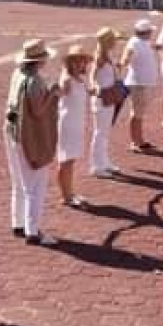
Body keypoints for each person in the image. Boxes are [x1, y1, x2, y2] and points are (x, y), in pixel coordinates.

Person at [4, 39, 60, 246]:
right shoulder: (35, 80)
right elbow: (38, 111)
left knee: (18, 180)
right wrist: (53, 94)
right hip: (29, 135)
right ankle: (33, 230)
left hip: (12, 131)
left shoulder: (17, 75)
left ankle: (18, 222)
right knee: (35, 184)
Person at [56, 45, 92, 207]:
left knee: (71, 160)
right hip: (68, 124)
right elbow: (57, 96)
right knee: (66, 161)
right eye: (76, 61)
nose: (80, 64)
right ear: (69, 62)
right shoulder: (67, 79)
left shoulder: (80, 79)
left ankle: (70, 192)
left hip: (77, 122)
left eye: (82, 60)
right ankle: (66, 195)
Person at [90, 27, 125, 177]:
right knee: (100, 132)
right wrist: (96, 87)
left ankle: (104, 162)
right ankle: (97, 166)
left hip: (109, 96)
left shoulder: (106, 55)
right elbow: (93, 75)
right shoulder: (100, 57)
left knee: (104, 132)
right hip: (102, 97)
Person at [121, 19, 159, 151]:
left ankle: (139, 140)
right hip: (139, 84)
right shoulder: (134, 43)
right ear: (145, 32)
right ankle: (136, 141)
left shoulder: (143, 42)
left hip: (144, 83)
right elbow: (128, 54)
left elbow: (148, 46)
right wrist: (124, 61)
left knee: (139, 113)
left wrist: (156, 47)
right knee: (137, 113)